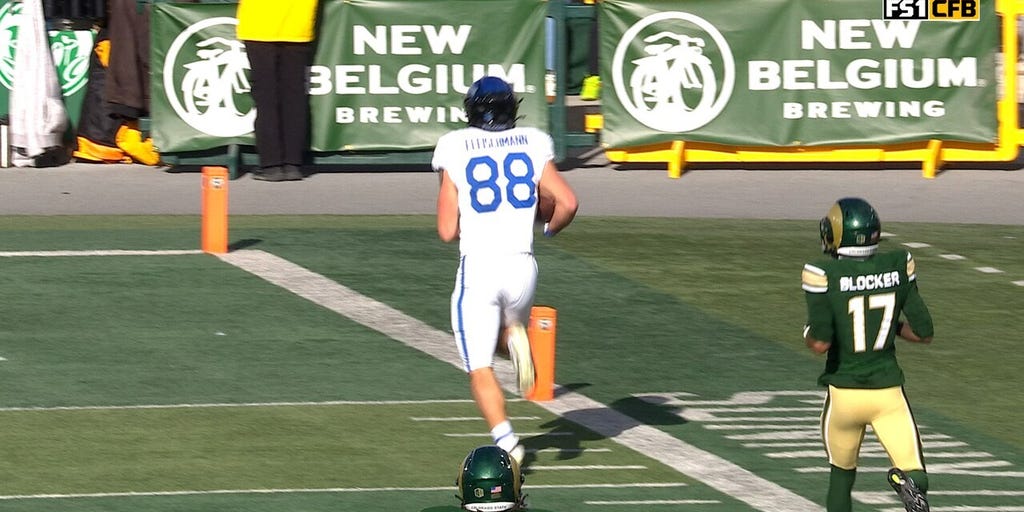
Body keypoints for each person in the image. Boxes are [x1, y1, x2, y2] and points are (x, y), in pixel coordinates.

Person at [433, 76, 579, 466]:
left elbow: (447, 230)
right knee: (505, 331)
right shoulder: (533, 141)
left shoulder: (454, 145)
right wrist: (548, 228)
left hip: (480, 267)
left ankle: (507, 440)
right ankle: (516, 337)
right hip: (522, 265)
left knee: (478, 366)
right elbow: (566, 201)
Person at [801, 197, 935, 512]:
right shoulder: (898, 265)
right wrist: (889, 327)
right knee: (916, 472)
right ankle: (909, 485)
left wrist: (808, 333)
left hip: (845, 394)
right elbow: (924, 332)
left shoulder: (823, 272)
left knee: (841, 477)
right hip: (888, 393)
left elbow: (820, 342)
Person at [235, 0, 319, 181]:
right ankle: (293, 163)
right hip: (298, 23)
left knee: (266, 96)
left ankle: (271, 164)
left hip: (258, 24)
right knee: (294, 95)